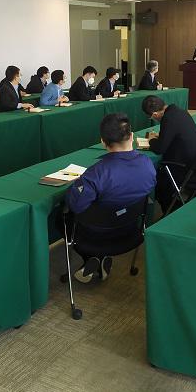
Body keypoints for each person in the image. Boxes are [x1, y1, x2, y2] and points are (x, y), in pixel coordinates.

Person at [65, 113, 156, 283]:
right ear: (132, 136)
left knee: (62, 218)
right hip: (131, 228)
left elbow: (76, 205)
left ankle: (91, 256)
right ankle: (98, 258)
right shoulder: (147, 163)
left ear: (102, 142)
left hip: (96, 234)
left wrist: (78, 184)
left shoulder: (96, 173)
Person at [142, 95, 196, 213]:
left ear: (155, 114)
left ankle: (169, 211)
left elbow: (160, 148)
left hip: (183, 166)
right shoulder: (180, 112)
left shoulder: (168, 118)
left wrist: (151, 140)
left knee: (157, 182)